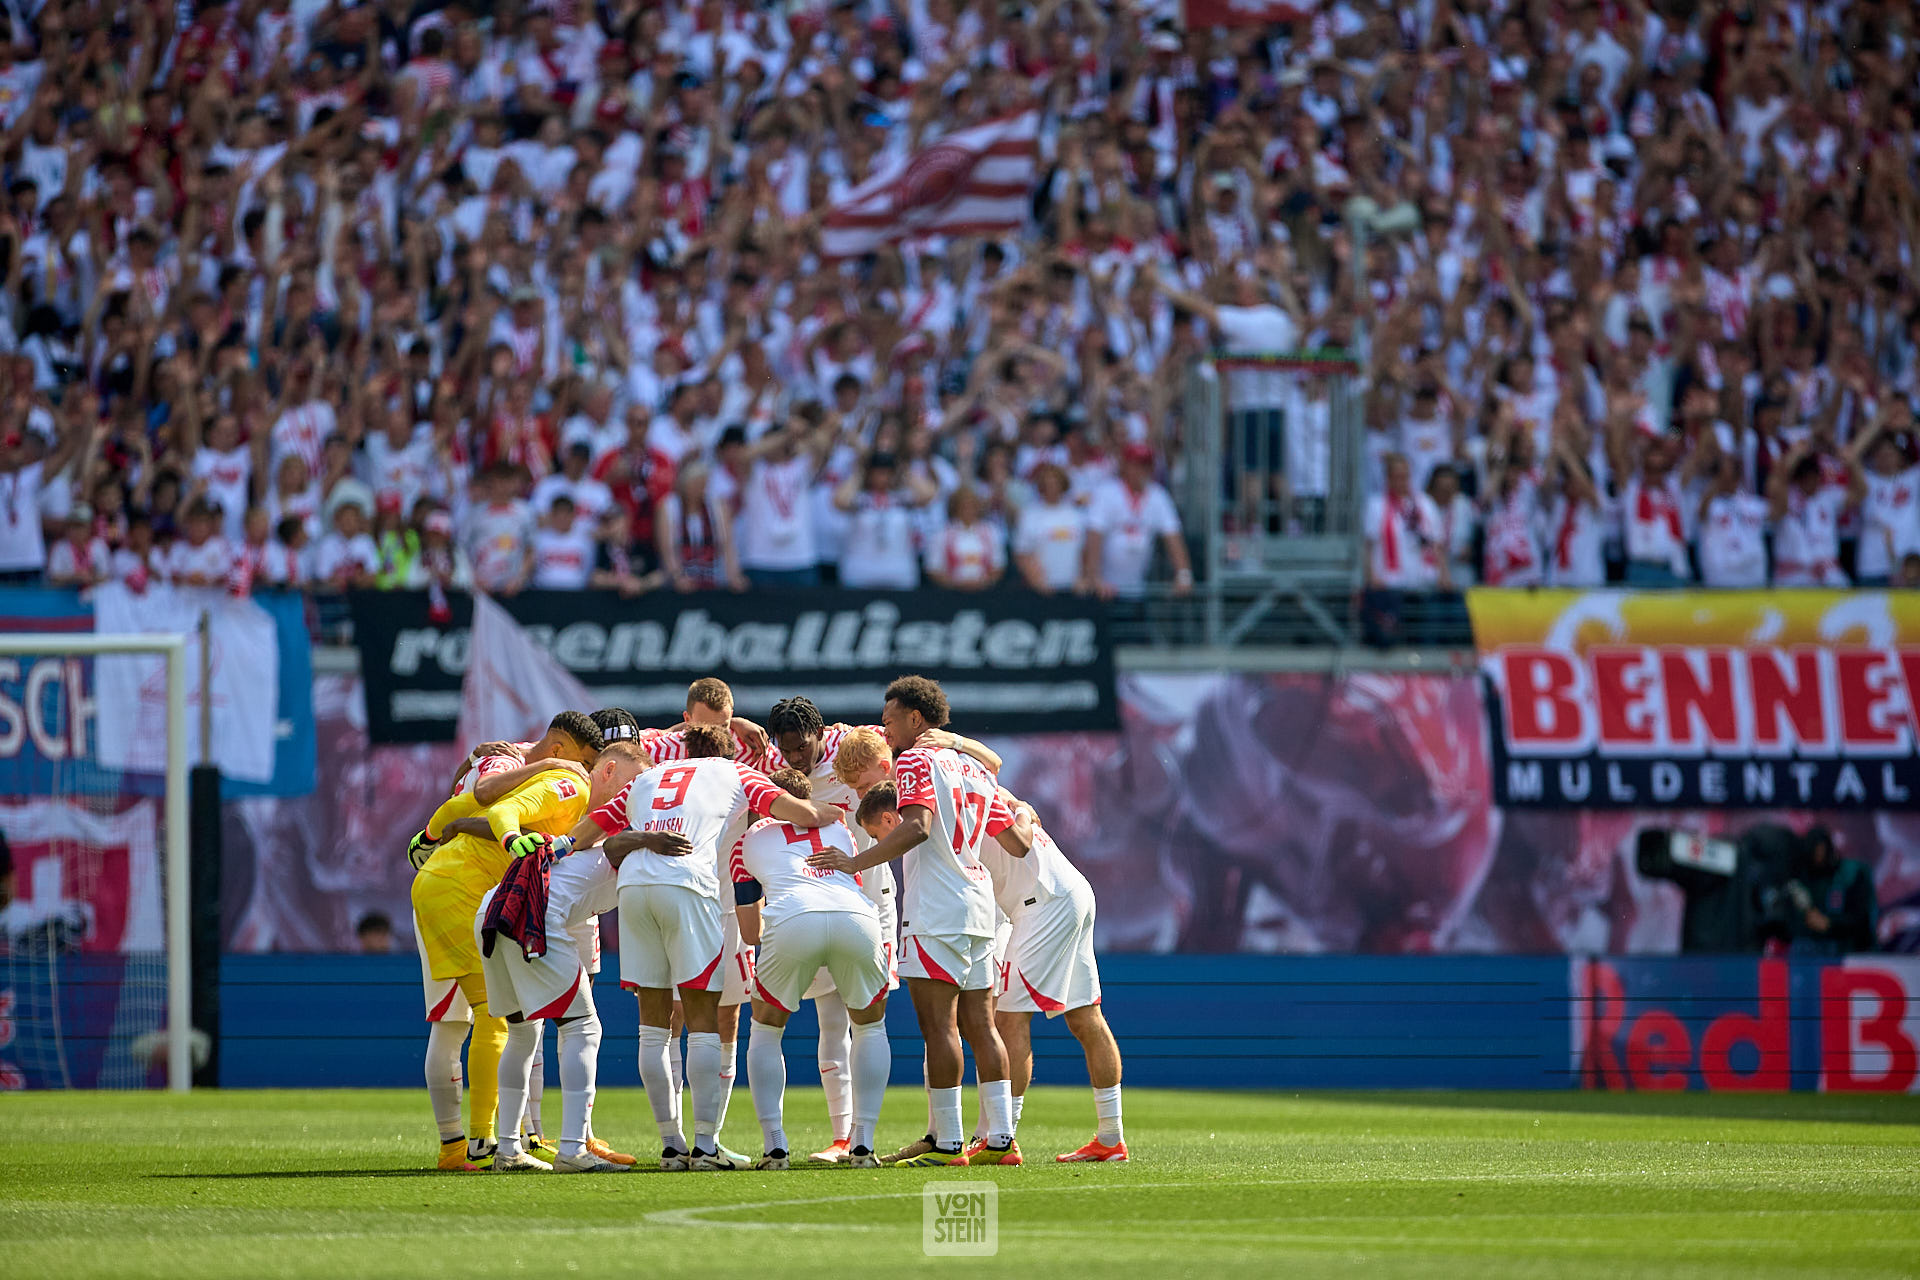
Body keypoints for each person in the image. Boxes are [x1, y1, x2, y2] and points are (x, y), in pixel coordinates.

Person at [590, 724, 841, 1171]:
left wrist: (559, 845)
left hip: (634, 888)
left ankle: (670, 1145)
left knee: (654, 1025)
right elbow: (798, 813)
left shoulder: (647, 778)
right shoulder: (738, 774)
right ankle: (705, 1146)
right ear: (728, 752)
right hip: (691, 889)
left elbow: (595, 824)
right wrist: (833, 814)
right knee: (704, 1022)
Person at [807, 675, 1030, 1167]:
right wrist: (1026, 816)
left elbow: (917, 825)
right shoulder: (973, 769)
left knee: (939, 1029)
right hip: (978, 904)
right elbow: (1015, 844)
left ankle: (950, 1143)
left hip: (937, 909)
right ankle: (1001, 1141)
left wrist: (856, 863)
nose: (885, 731)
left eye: (889, 721)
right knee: (982, 1026)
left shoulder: (915, 760)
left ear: (915, 718)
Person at [406, 710, 604, 1171]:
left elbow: (466, 805)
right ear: (560, 751)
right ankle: (480, 1143)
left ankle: (466, 1146)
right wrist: (552, 771)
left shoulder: (504, 757)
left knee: (469, 1021)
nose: (586, 772)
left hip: (453, 887)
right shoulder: (536, 772)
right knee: (492, 1019)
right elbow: (489, 799)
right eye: (584, 762)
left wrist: (432, 832)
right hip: (460, 892)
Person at [473, 739, 648, 1172]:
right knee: (584, 1028)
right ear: (608, 770)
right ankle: (573, 1148)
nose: (637, 793)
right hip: (531, 914)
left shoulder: (582, 823)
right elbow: (615, 846)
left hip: (494, 911)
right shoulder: (603, 821)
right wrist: (653, 837)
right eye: (633, 781)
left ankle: (509, 1148)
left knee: (523, 1033)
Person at [733, 768, 893, 1170]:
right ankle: (863, 1144)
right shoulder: (842, 827)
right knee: (870, 1028)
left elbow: (750, 933)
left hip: (791, 916)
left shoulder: (747, 840)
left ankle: (774, 1147)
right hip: (856, 915)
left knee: (767, 1030)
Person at [975, 787, 1127, 1163]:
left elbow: (1017, 841)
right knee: (1086, 1018)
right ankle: (1111, 1138)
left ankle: (1002, 1140)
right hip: (1071, 891)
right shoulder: (976, 780)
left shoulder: (949, 787)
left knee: (1009, 1020)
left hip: (1042, 902)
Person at [1083, 444, 1191, 600]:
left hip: (1138, 588)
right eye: (1135, 464)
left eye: (1145, 465)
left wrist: (1183, 574)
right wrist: (1094, 577)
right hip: (1104, 590)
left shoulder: (1158, 496)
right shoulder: (1106, 492)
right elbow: (1094, 536)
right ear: (1125, 465)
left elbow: (1173, 536)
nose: (1140, 470)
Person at [1784, 826, 1878, 955]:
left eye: (1822, 850)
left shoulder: (1850, 874)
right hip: (1807, 950)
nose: (1819, 855)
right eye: (1815, 851)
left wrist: (1830, 924)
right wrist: (1808, 919)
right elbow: (1788, 921)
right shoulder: (1799, 879)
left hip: (1846, 951)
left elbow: (1861, 920)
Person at [1012, 463, 1088, 594]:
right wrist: (1036, 581)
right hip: (1042, 590)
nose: (1052, 487)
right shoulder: (1030, 515)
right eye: (1047, 483)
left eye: (1055, 483)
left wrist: (1084, 578)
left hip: (1073, 589)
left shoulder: (1076, 516)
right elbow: (1022, 553)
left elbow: (1085, 552)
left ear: (1063, 485)